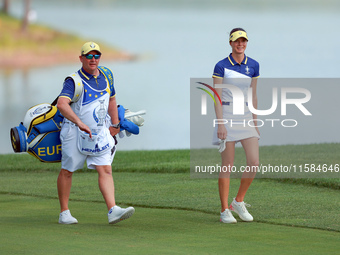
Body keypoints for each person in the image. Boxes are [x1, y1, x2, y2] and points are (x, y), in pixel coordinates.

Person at [56, 41, 135, 224]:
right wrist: (79, 123)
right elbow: (61, 104)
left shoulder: (107, 75)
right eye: (89, 56)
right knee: (68, 171)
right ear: (81, 58)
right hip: (73, 132)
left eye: (96, 55)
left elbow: (112, 100)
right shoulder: (73, 81)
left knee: (105, 168)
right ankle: (64, 213)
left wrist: (115, 124)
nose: (93, 59)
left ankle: (112, 210)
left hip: (99, 132)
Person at [212, 28, 260, 223]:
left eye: (243, 41)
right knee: (228, 165)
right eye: (236, 41)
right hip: (227, 115)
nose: (240, 44)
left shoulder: (254, 65)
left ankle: (238, 201)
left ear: (246, 42)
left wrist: (255, 122)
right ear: (231, 43)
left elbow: (253, 95)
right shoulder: (221, 65)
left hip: (246, 116)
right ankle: (224, 210)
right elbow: (216, 96)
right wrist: (220, 124)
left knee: (254, 162)